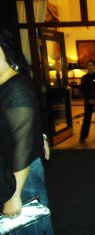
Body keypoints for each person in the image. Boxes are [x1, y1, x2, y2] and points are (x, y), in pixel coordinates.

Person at [0, 25, 54, 234]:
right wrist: (39, 134)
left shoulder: (16, 87)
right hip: (11, 170)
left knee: (30, 229)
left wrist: (14, 195)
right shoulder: (7, 85)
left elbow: (22, 146)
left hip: (19, 177)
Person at [80, 60, 95, 142]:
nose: (90, 67)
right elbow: (83, 90)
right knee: (87, 119)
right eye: (88, 65)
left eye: (92, 65)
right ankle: (83, 136)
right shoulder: (84, 78)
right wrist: (88, 100)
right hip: (88, 101)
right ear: (87, 67)